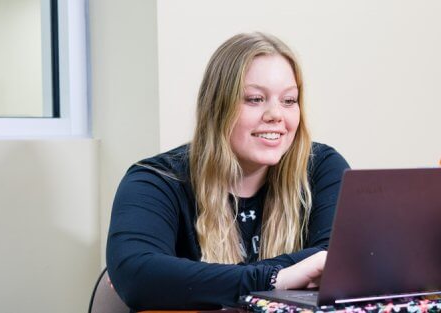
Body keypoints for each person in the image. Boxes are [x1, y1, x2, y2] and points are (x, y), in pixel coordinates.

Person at [106, 32, 350, 311]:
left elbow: (341, 262)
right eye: (255, 99)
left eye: (289, 100)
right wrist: (277, 278)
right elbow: (137, 277)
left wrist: (179, 279)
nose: (276, 115)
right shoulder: (155, 180)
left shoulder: (321, 167)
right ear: (217, 106)